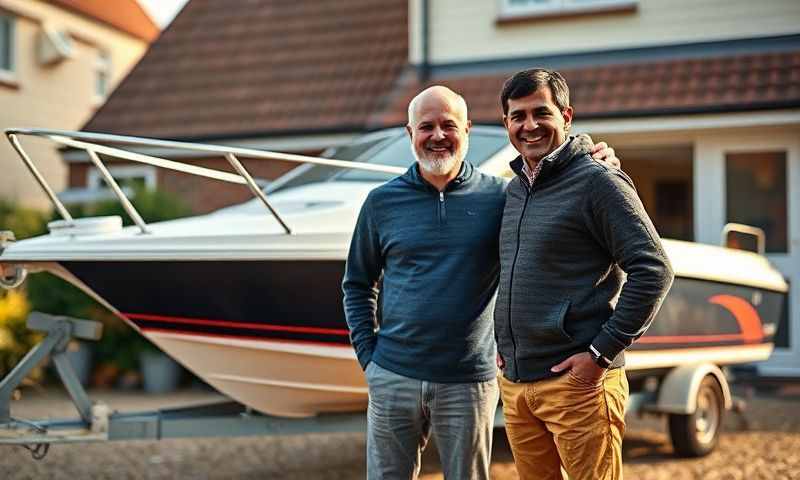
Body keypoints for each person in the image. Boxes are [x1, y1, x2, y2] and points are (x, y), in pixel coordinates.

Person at [342, 85, 618, 480]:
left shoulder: (503, 197)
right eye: (426, 127)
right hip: (393, 375)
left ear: (467, 129)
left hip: (469, 381)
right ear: (410, 134)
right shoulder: (380, 203)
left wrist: (597, 160)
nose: (438, 136)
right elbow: (357, 284)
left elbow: (558, 198)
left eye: (448, 125)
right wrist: (369, 358)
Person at [493, 68, 674, 480]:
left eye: (542, 113)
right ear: (506, 123)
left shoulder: (599, 181)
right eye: (518, 116)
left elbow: (654, 269)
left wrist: (599, 355)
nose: (530, 125)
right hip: (517, 385)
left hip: (580, 385)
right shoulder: (515, 189)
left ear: (567, 116)